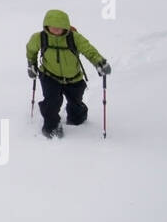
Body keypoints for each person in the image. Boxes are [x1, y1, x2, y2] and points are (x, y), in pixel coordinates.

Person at [26, 9, 110, 138]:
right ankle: (52, 127)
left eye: (59, 28)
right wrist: (32, 65)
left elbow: (89, 50)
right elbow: (31, 50)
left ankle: (78, 115)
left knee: (76, 106)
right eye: (52, 28)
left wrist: (99, 63)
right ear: (46, 26)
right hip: (49, 75)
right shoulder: (39, 37)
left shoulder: (74, 38)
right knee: (51, 102)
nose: (55, 31)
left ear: (65, 27)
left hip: (73, 78)